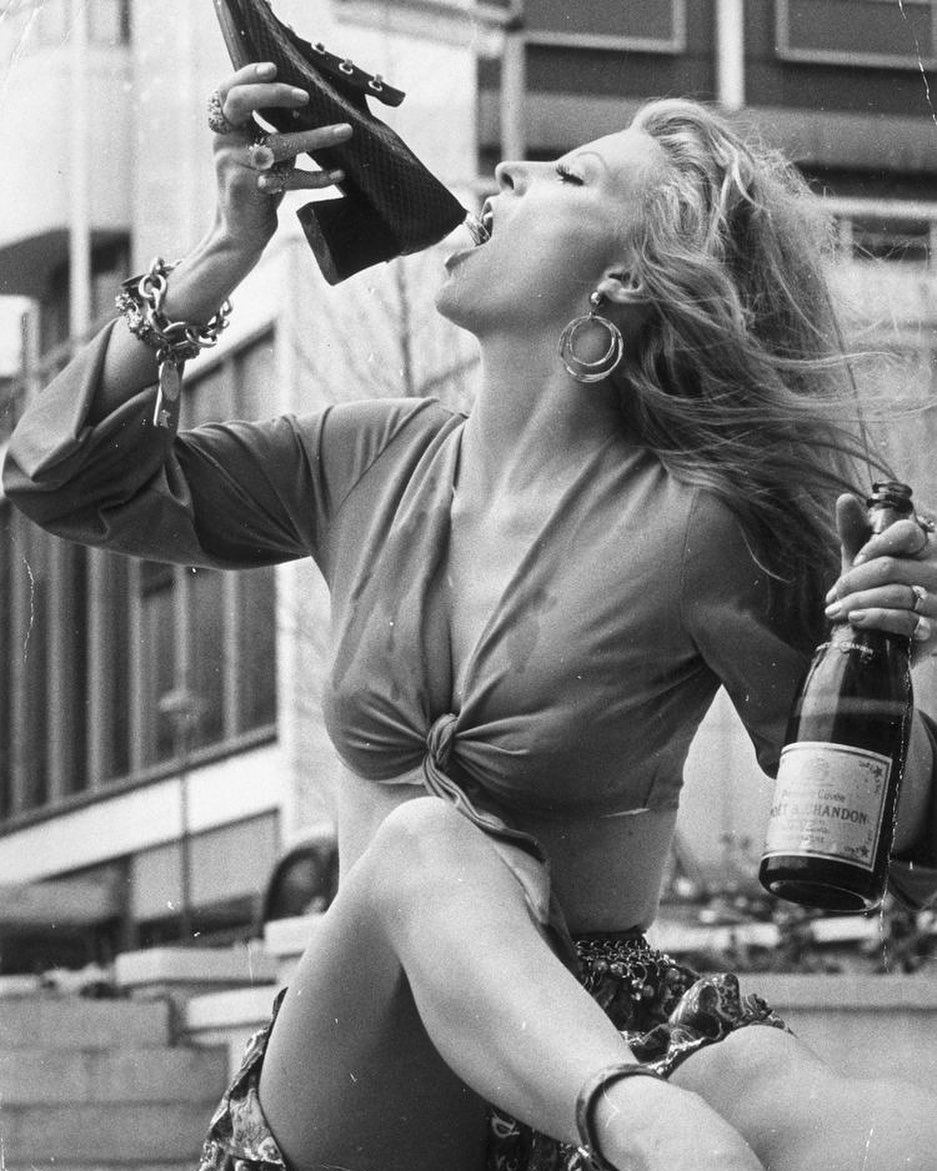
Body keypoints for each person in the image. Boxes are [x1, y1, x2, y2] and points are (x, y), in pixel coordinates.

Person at [5, 61, 937, 1171]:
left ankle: (655, 1121)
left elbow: (872, 824)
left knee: (845, 1116)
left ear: (626, 279)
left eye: (567, 175)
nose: (508, 170)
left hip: (600, 1005)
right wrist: (223, 250)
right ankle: (636, 1125)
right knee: (422, 843)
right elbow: (61, 478)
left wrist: (877, 653)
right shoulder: (364, 455)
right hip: (371, 1057)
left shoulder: (709, 527)